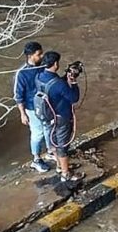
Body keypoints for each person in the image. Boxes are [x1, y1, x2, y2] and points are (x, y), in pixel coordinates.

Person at [36, 52, 83, 183]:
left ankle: (59, 166)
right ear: (56, 64)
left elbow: (55, 88)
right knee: (62, 146)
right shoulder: (59, 84)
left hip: (47, 116)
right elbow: (74, 98)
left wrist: (64, 78)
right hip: (61, 118)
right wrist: (73, 82)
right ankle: (65, 174)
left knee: (54, 142)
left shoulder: (39, 77)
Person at [13, 41, 51, 173]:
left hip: (46, 105)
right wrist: (23, 114)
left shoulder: (43, 67)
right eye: (38, 54)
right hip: (31, 108)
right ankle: (36, 159)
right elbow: (18, 96)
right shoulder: (22, 74)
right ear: (30, 56)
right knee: (37, 134)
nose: (41, 57)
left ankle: (50, 151)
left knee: (48, 129)